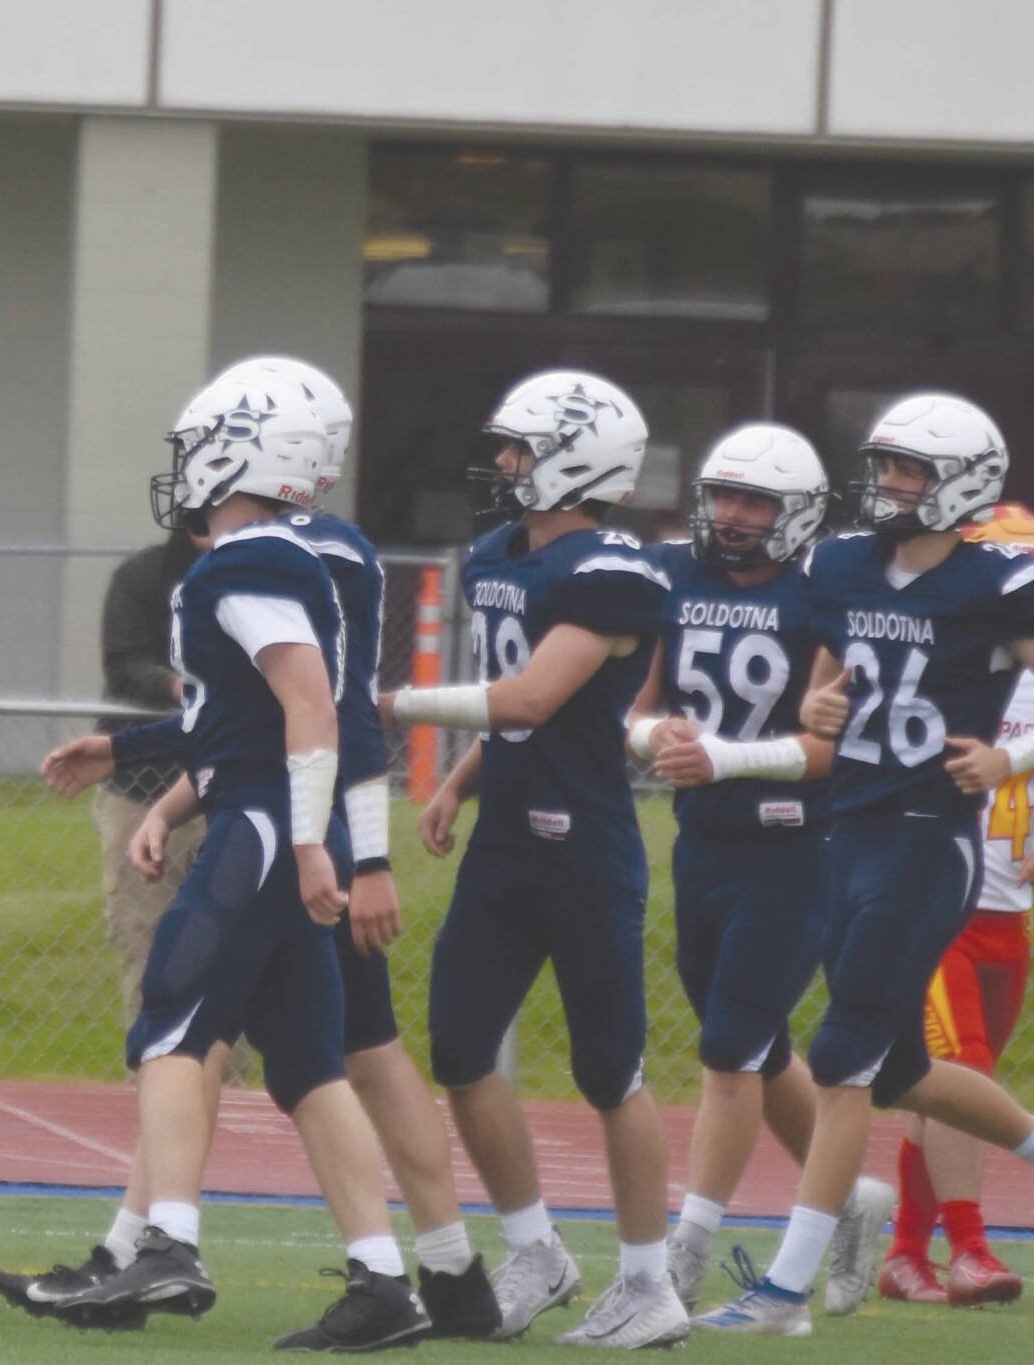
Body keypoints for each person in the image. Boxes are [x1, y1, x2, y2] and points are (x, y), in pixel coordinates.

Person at [0, 357, 497, 1341]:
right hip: (271, 808)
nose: (184, 467)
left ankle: (164, 1247)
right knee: (309, 1064)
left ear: (253, 450)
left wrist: (321, 846)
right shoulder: (311, 554)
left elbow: (308, 706)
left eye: (199, 447)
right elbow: (249, 716)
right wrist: (137, 761)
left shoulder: (249, 560)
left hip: (268, 825)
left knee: (175, 1018)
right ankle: (383, 1283)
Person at [697, 394, 1034, 1336]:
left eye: (910, 471)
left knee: (844, 1060)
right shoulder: (843, 563)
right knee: (895, 1069)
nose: (888, 484)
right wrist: (816, 707)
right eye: (885, 466)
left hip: (929, 835)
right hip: (845, 828)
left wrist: (1011, 758)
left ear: (963, 484)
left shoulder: (997, 582)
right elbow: (831, 667)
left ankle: (784, 1292)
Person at [387, 371, 692, 1348]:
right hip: (503, 842)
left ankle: (648, 1283)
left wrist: (388, 703)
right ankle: (534, 1252)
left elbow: (529, 699)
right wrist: (456, 783)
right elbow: (506, 707)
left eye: (519, 447)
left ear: (576, 457)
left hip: (584, 849)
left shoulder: (615, 573)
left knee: (609, 1070)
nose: (503, 464)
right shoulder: (493, 555)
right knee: (459, 1050)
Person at [628, 425, 894, 1315]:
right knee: (751, 1040)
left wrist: (724, 759)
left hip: (798, 844)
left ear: (800, 514)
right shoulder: (673, 577)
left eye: (756, 501)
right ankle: (851, 1196)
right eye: (724, 495)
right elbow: (637, 707)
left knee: (729, 1049)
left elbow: (833, 748)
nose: (733, 516)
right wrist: (651, 738)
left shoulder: (825, 595)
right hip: (704, 840)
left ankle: (687, 1249)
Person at [878, 502, 1034, 1308]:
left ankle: (904, 1253)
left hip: (1008, 919)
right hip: (937, 904)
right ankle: (968, 1248)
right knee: (959, 1071)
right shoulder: (926, 659)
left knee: (946, 1093)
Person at [93, 526, 206, 1018]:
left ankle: (229, 1087)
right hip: (142, 787)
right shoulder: (143, 576)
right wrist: (182, 687)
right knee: (147, 938)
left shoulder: (266, 579)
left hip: (234, 789)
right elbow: (124, 664)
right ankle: (154, 1073)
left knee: (230, 951)